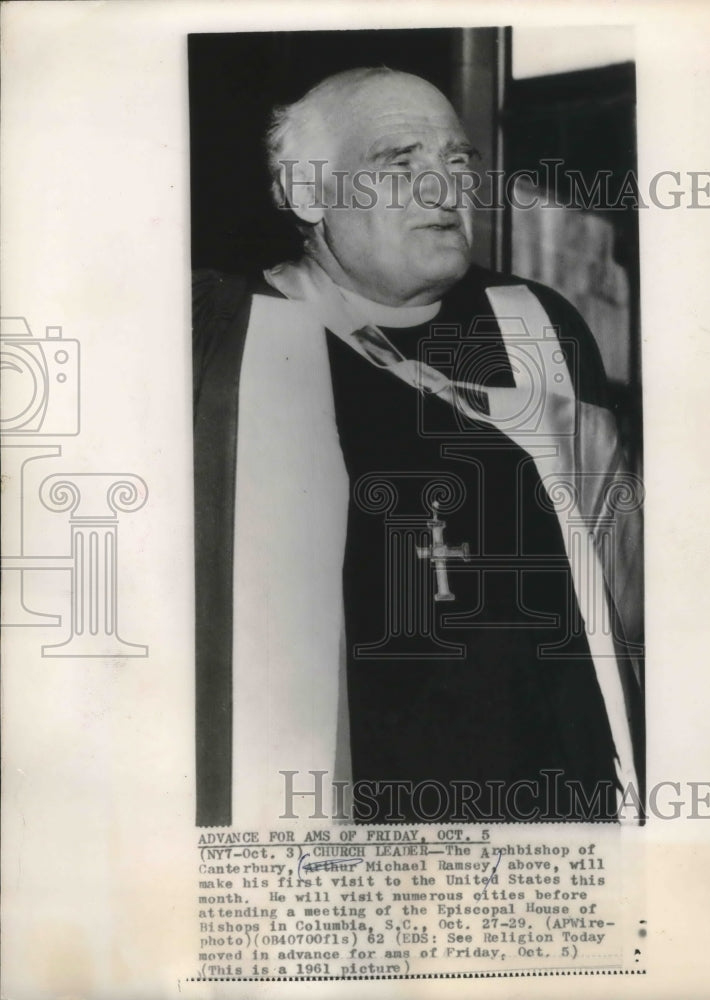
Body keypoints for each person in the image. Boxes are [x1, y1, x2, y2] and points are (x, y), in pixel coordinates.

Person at [193, 67, 644, 827]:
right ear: (307, 193)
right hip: (340, 813)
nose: (443, 190)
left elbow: (626, 586)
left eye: (457, 162)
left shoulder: (539, 326)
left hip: (551, 803)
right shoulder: (222, 343)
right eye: (398, 164)